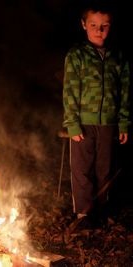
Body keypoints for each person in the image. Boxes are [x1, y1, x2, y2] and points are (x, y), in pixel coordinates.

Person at [62, 1, 131, 229]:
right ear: (84, 25)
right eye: (93, 25)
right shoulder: (77, 55)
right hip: (83, 123)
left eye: (105, 25)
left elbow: (125, 92)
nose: (99, 30)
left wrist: (123, 123)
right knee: (82, 170)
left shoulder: (117, 57)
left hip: (109, 123)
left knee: (105, 169)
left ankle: (101, 211)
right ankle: (84, 215)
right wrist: (72, 124)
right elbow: (70, 91)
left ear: (110, 26)